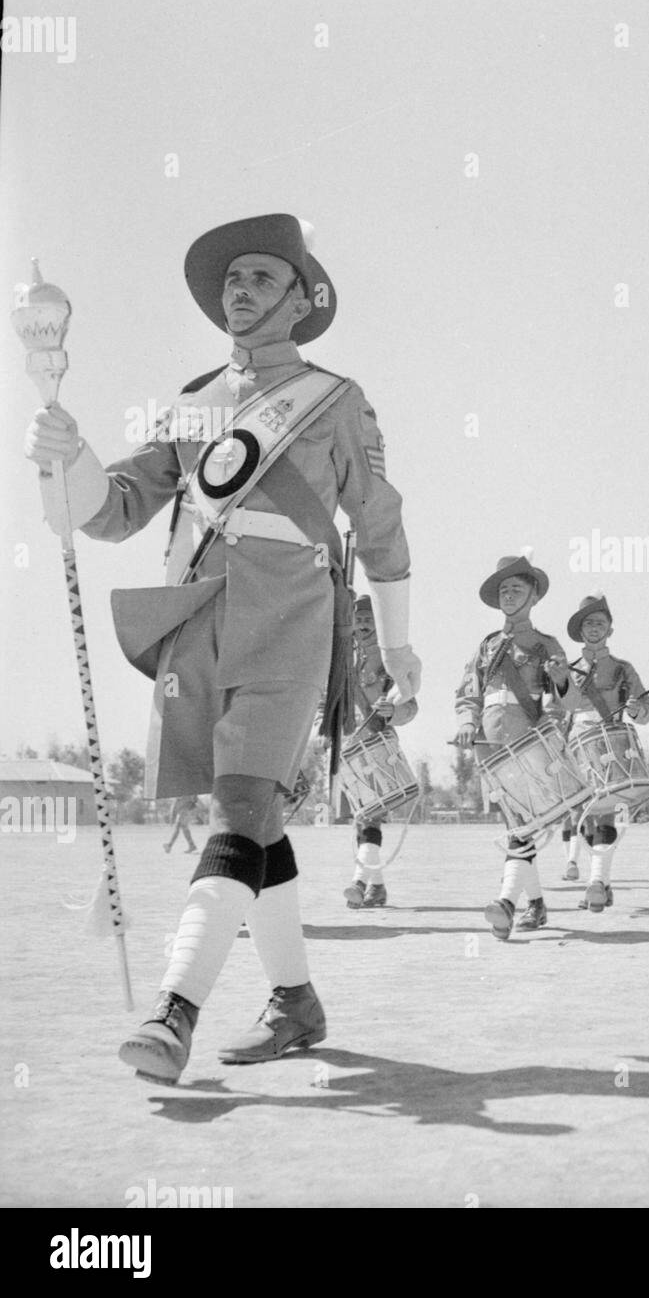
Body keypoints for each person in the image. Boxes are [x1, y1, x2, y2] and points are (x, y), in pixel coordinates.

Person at [25, 214, 420, 1084]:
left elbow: (380, 526)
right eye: (231, 280)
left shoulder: (334, 399)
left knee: (239, 808)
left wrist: (396, 643)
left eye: (260, 278)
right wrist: (67, 457)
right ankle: (295, 1003)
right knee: (255, 824)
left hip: (291, 625)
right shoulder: (193, 402)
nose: (239, 290)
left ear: (300, 299)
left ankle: (174, 1013)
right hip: (197, 629)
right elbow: (115, 508)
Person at [454, 552, 572, 939]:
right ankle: (536, 905)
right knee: (516, 825)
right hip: (490, 749)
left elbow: (562, 704)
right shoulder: (487, 646)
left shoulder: (547, 645)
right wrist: (467, 722)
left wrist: (560, 690)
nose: (508, 595)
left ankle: (505, 902)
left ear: (534, 596)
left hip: (528, 746)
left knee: (520, 826)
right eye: (503, 589)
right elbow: (469, 694)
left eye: (516, 588)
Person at [562, 593, 649, 910]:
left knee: (605, 815)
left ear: (610, 629)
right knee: (584, 820)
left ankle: (596, 883)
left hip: (611, 746)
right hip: (575, 746)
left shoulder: (623, 669)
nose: (594, 628)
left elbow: (648, 709)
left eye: (600, 623)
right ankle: (602, 881)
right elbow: (558, 710)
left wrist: (636, 707)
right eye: (588, 623)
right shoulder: (568, 670)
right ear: (580, 631)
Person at [342, 595, 419, 909]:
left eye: (368, 620)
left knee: (371, 816)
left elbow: (410, 706)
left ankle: (359, 882)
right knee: (362, 820)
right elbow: (326, 703)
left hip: (378, 745)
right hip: (349, 748)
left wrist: (391, 711)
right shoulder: (342, 659)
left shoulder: (392, 659)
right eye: (358, 619)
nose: (362, 625)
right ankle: (378, 888)